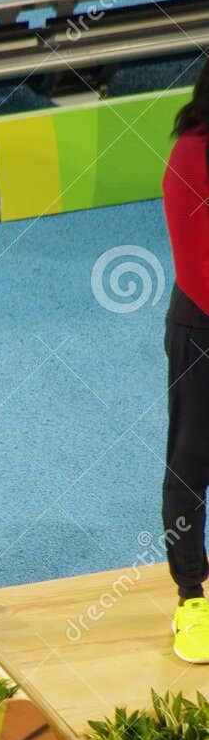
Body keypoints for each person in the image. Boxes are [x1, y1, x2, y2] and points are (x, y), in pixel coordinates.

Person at [162, 56, 209, 662]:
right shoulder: (192, 156)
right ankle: (191, 596)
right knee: (193, 459)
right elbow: (198, 267)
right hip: (202, 325)